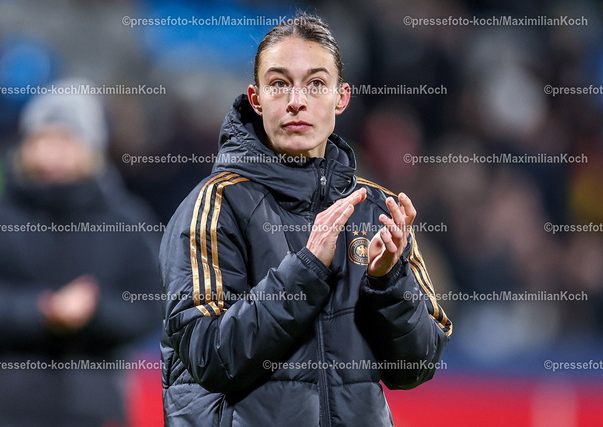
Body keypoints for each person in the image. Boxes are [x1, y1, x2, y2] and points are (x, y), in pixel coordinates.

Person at [160, 14, 452, 426]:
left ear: (341, 97)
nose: (296, 100)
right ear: (256, 98)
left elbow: (416, 367)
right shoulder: (215, 205)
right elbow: (209, 357)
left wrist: (388, 282)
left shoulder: (376, 209)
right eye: (279, 84)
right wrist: (306, 269)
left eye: (315, 83)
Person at [0, 80, 160, 427]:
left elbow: (152, 305)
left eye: (65, 139)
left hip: (93, 409)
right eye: (41, 138)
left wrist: (95, 310)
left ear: (91, 147)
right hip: (5, 409)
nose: (51, 153)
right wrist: (38, 310)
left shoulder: (126, 222)